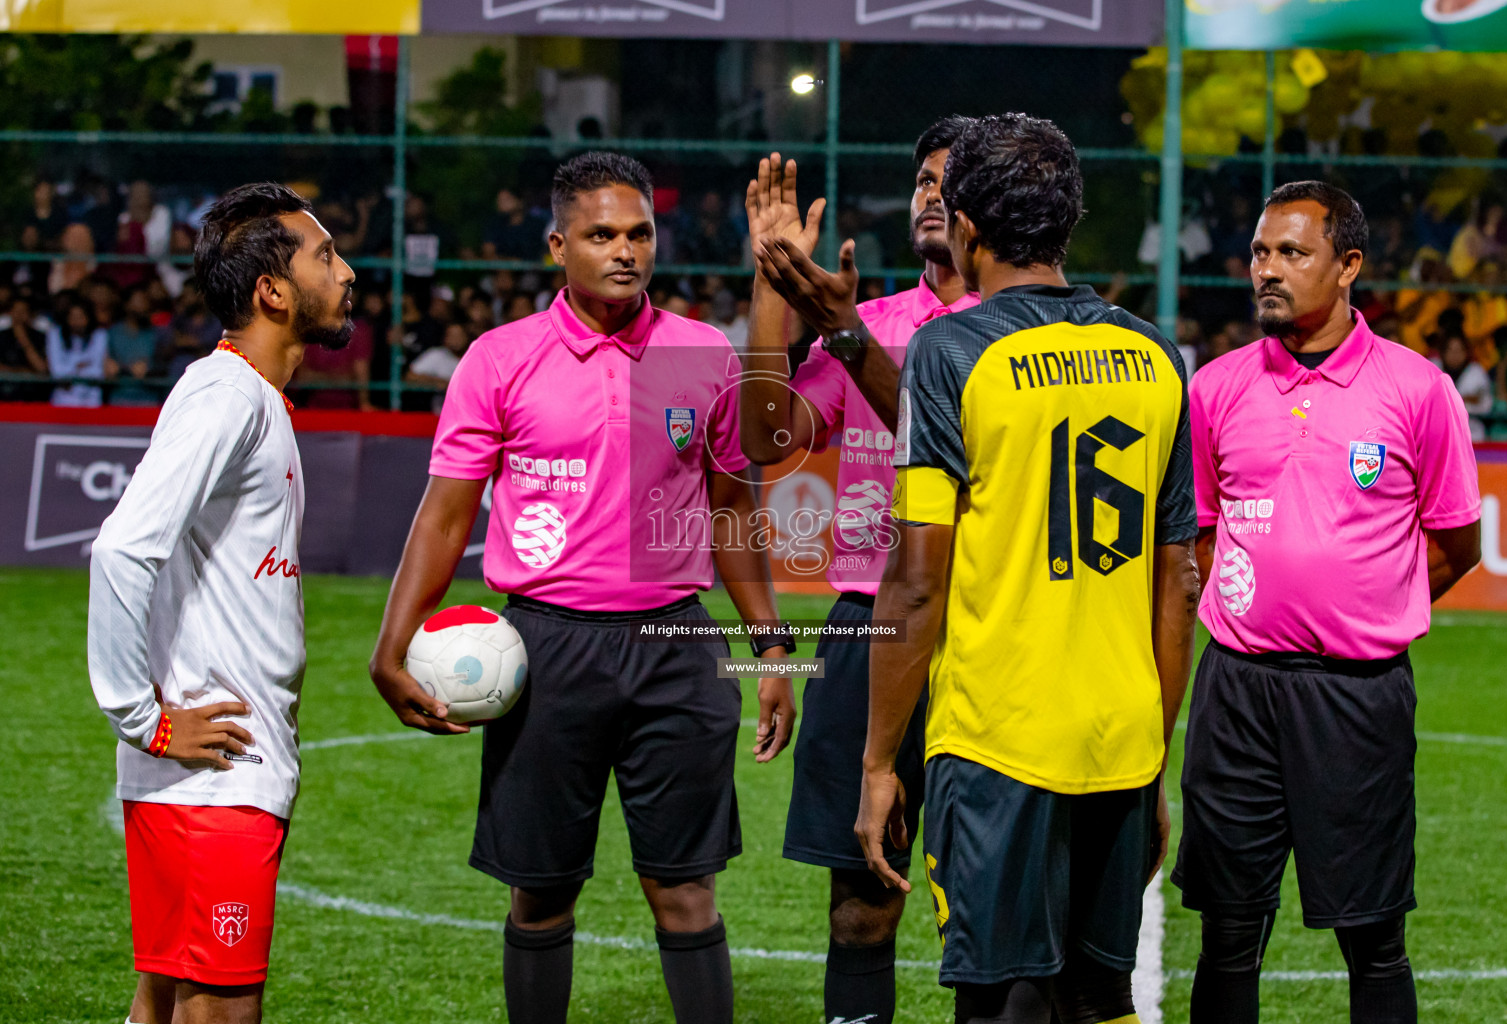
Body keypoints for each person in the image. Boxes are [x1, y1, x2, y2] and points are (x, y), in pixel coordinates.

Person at [368, 152, 797, 1024]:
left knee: (685, 892)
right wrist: (391, 643)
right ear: (559, 245)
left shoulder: (702, 353)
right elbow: (445, 517)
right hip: (545, 647)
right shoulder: (499, 359)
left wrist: (772, 645)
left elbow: (729, 508)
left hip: (677, 644)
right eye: (602, 234)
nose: (625, 251)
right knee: (541, 893)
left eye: (639, 233)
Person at [856, 113, 1200, 1024]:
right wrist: (1152, 754)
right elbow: (1178, 580)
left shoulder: (951, 351)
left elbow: (917, 580)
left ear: (965, 225)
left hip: (999, 737)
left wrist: (880, 760)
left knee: (1003, 996)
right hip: (1122, 737)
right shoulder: (1156, 354)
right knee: (1099, 998)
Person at [1173, 181, 1483, 1024]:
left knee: (1373, 938)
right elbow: (1199, 535)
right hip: (1236, 691)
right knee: (1229, 933)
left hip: (1358, 696)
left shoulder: (1419, 390)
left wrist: (1364, 605)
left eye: (1291, 253)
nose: (1266, 271)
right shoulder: (1215, 389)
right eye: (1260, 253)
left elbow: (1455, 546)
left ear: (1347, 265)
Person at [86, 181, 355, 1024]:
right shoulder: (225, 396)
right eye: (324, 255)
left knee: (162, 1002)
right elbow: (122, 548)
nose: (346, 271)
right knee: (218, 1011)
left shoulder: (253, 400)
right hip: (212, 783)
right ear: (273, 292)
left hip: (205, 782)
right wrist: (145, 718)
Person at [737, 116, 981, 1024]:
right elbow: (764, 435)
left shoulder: (1016, 335)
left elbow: (941, 438)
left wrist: (836, 332)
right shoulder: (867, 318)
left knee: (989, 910)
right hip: (866, 622)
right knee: (859, 911)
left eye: (950, 181)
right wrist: (774, 285)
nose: (929, 193)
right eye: (921, 178)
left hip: (986, 629)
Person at [106, 286, 164, 406]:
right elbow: (107, 365)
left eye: (145, 301)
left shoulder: (155, 334)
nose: (143, 306)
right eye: (138, 301)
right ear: (127, 305)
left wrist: (149, 370)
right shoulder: (113, 332)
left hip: (148, 398)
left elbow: (165, 366)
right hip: (119, 396)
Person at [46, 295, 110, 407]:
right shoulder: (55, 334)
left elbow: (98, 371)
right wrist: (78, 367)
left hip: (91, 399)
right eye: (72, 317)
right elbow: (57, 371)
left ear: (88, 318)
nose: (76, 322)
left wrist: (70, 370)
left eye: (80, 317)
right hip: (63, 399)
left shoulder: (100, 335)